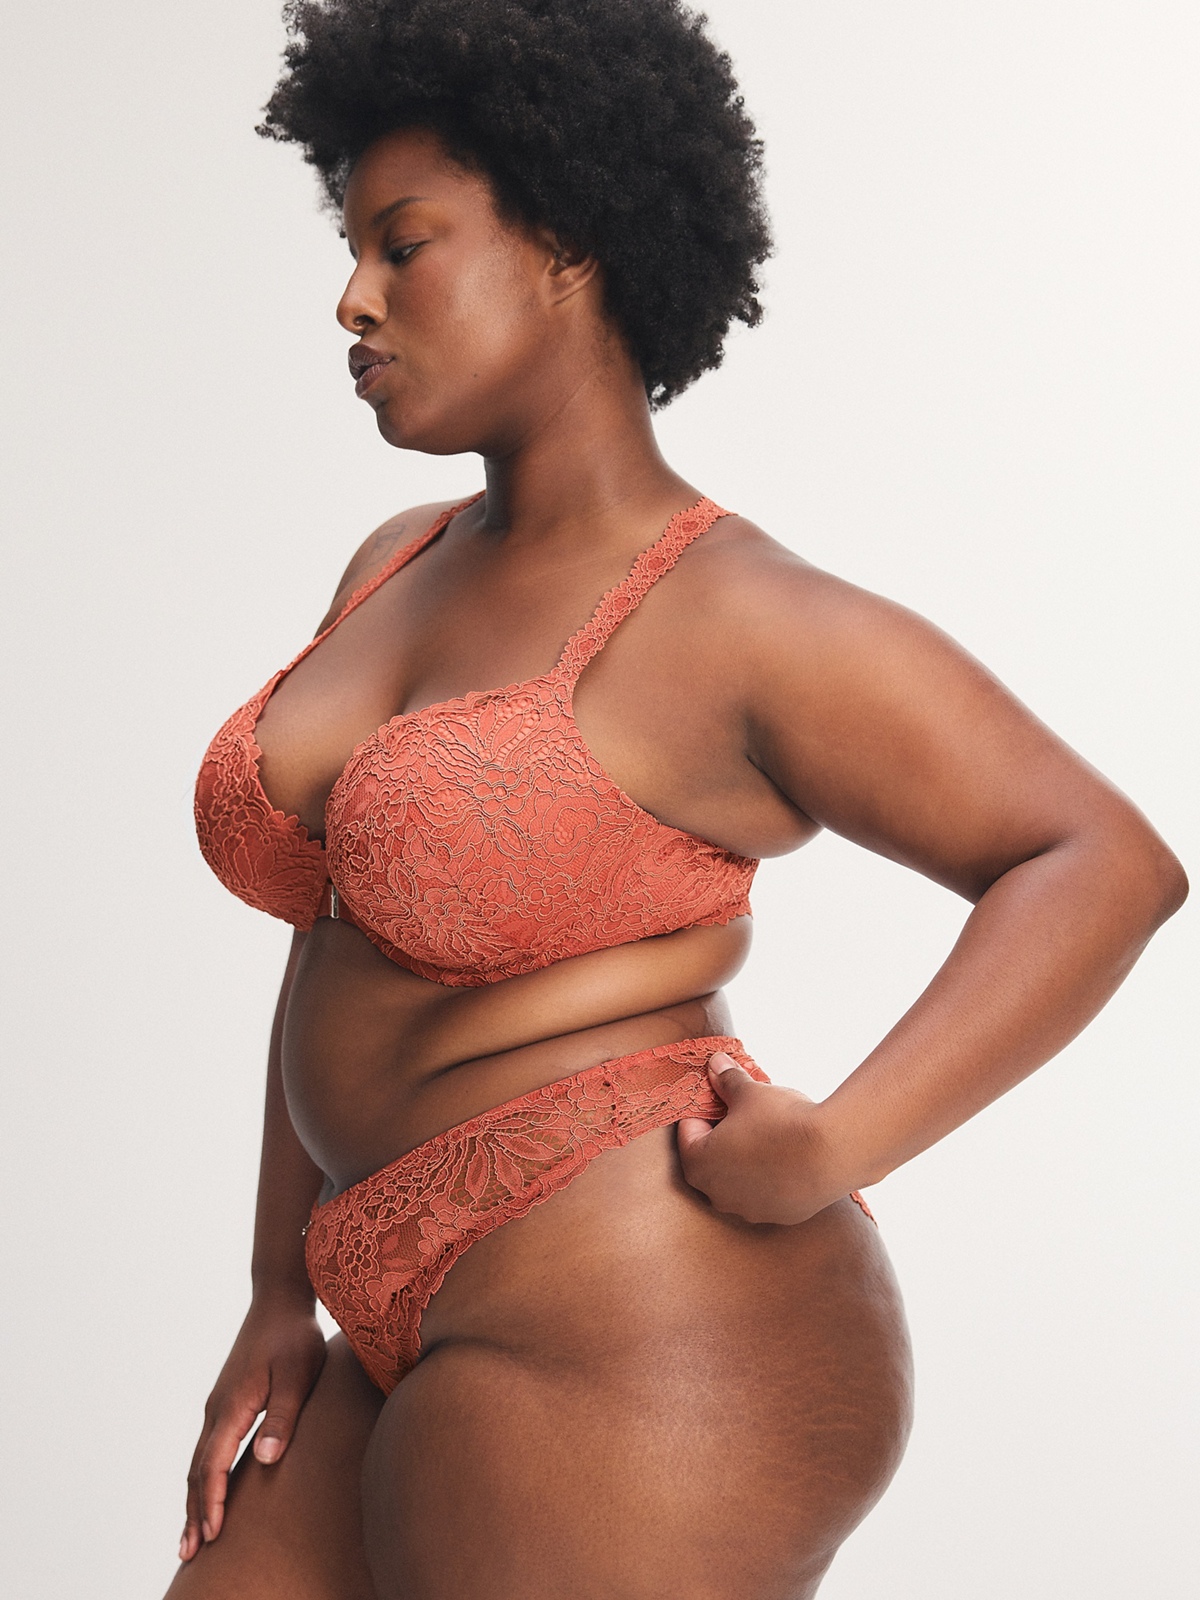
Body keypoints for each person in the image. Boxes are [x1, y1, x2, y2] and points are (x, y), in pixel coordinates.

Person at [172, 3, 1187, 1596]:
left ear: (568, 243)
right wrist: (270, 1292)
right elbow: (330, 932)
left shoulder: (732, 615)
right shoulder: (392, 562)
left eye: (404, 245)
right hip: (388, 1307)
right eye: (351, 248)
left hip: (641, 1323)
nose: (353, 297)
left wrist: (842, 1140)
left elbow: (1101, 859)